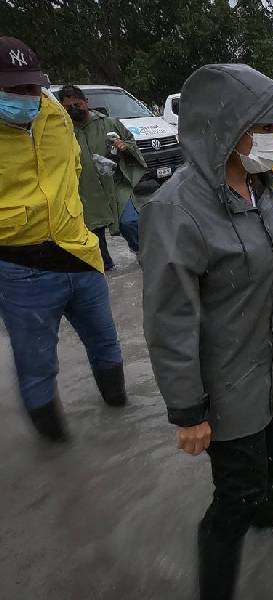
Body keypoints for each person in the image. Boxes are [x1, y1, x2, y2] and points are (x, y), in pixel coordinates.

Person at [139, 64, 273, 600]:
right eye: (256, 125)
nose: (265, 137)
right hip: (226, 384)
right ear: (221, 126)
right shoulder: (177, 208)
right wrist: (187, 412)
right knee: (235, 494)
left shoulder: (264, 185)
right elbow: (169, 318)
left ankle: (270, 548)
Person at [0, 37, 127, 443]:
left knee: (107, 342)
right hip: (21, 266)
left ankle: (120, 417)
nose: (27, 97)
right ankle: (58, 453)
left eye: (32, 87)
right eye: (14, 90)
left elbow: (73, 168)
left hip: (78, 250)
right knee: (36, 363)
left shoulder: (55, 116)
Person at [58, 84, 147, 270]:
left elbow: (131, 142)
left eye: (78, 104)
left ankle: (145, 254)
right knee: (94, 233)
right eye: (68, 107)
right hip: (86, 190)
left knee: (130, 221)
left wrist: (124, 146)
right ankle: (105, 267)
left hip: (115, 185)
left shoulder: (109, 123)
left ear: (86, 102)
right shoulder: (62, 132)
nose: (74, 109)